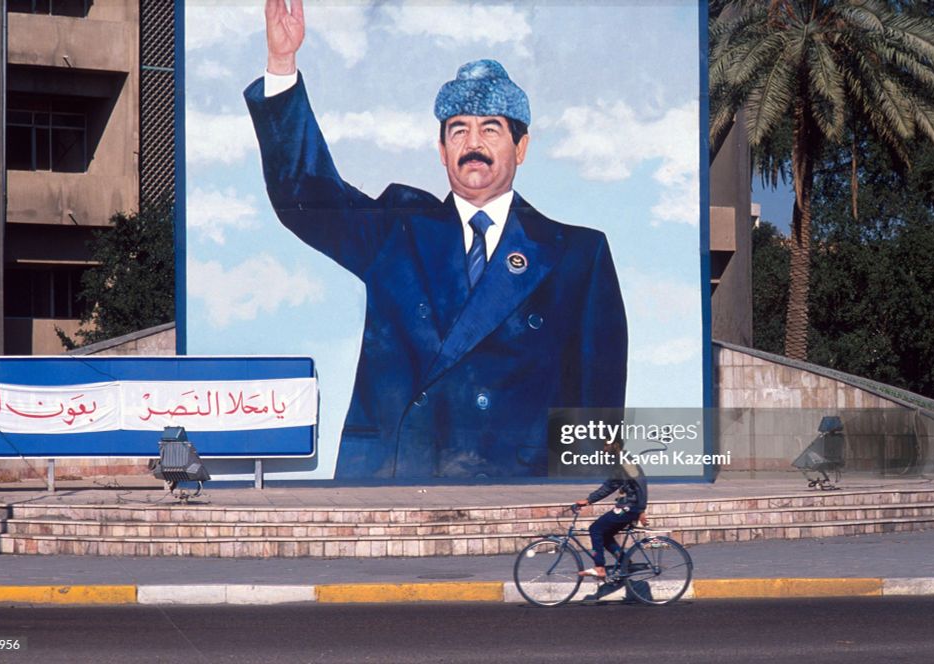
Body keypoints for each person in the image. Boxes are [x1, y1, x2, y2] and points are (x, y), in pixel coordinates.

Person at [245, 0, 628, 478]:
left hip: (513, 487)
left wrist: (586, 494)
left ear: (521, 147)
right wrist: (282, 65)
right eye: (458, 130)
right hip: (397, 476)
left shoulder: (576, 255)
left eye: (491, 129)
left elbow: (596, 404)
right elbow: (306, 195)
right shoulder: (399, 231)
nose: (473, 144)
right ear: (442, 150)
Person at [576, 438, 648, 580]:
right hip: (628, 506)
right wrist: (589, 500)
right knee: (605, 534)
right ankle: (624, 563)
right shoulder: (620, 461)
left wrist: (641, 510)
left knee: (595, 529)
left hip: (630, 507)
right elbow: (610, 485)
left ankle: (600, 568)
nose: (604, 449)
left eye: (606, 445)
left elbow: (641, 483)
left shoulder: (626, 461)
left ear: (616, 445)